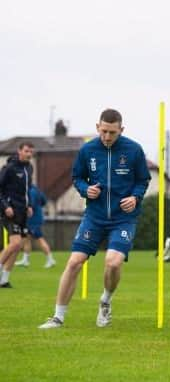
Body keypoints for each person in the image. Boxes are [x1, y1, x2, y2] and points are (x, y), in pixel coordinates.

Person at [38, 108, 150, 329]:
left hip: (123, 218)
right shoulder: (87, 150)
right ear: (98, 127)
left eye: (112, 132)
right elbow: (77, 177)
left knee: (113, 261)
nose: (107, 137)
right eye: (104, 131)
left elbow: (143, 180)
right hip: (95, 217)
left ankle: (105, 301)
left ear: (121, 130)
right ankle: (58, 317)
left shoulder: (134, 150)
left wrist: (135, 198)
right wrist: (85, 189)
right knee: (74, 262)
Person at [0, 142, 34, 287]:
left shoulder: (29, 168)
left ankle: (4, 280)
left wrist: (29, 205)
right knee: (15, 243)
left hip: (22, 212)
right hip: (9, 212)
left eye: (31, 152)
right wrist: (6, 206)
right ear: (19, 151)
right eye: (26, 151)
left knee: (18, 246)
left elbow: (27, 190)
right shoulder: (9, 168)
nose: (29, 154)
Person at [15, 184, 56, 268]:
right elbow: (44, 201)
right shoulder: (37, 189)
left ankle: (50, 259)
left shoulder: (31, 191)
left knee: (40, 239)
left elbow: (31, 205)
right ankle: (25, 260)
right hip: (35, 218)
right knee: (26, 238)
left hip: (33, 219)